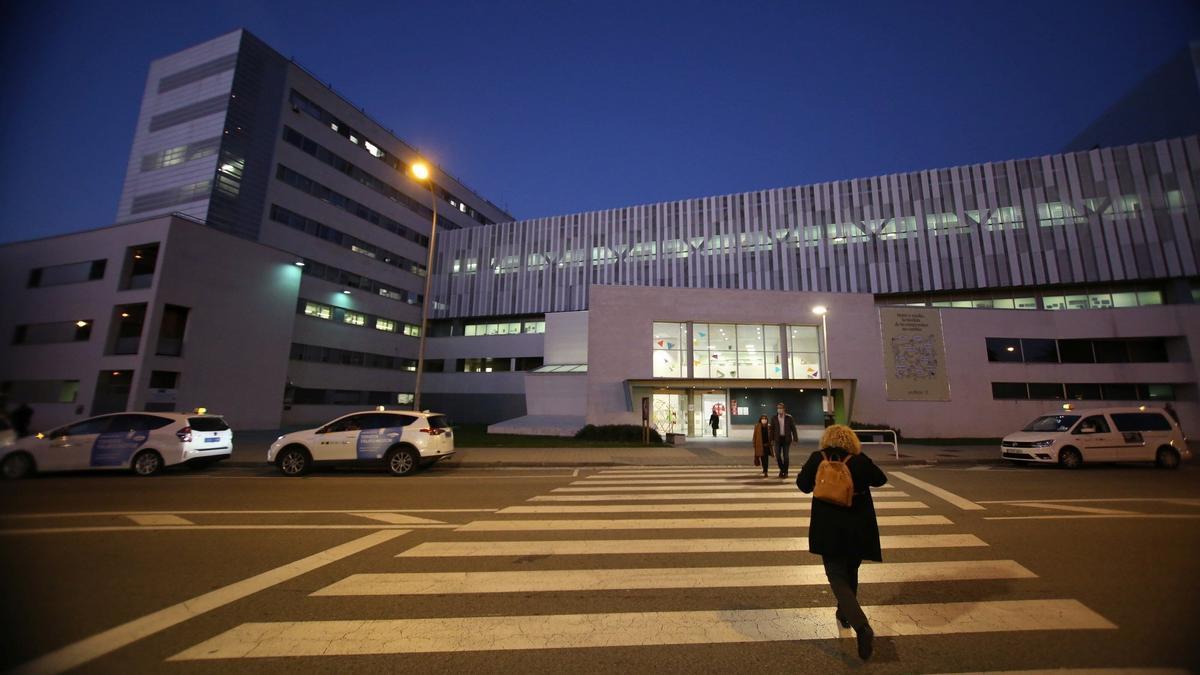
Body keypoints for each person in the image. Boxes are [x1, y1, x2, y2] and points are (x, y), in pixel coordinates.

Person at [796, 424, 888, 661]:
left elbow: (803, 485)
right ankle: (844, 613)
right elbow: (880, 479)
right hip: (857, 527)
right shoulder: (859, 459)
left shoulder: (818, 457)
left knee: (836, 575)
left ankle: (861, 626)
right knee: (851, 570)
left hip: (828, 527)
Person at [770, 403, 798, 478]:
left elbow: (793, 428)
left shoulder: (789, 417)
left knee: (786, 457)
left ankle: (785, 472)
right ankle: (782, 470)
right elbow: (772, 429)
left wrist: (795, 439)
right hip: (777, 439)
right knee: (778, 456)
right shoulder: (774, 418)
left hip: (786, 439)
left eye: (781, 408)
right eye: (778, 408)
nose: (779, 409)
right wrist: (771, 439)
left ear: (784, 409)